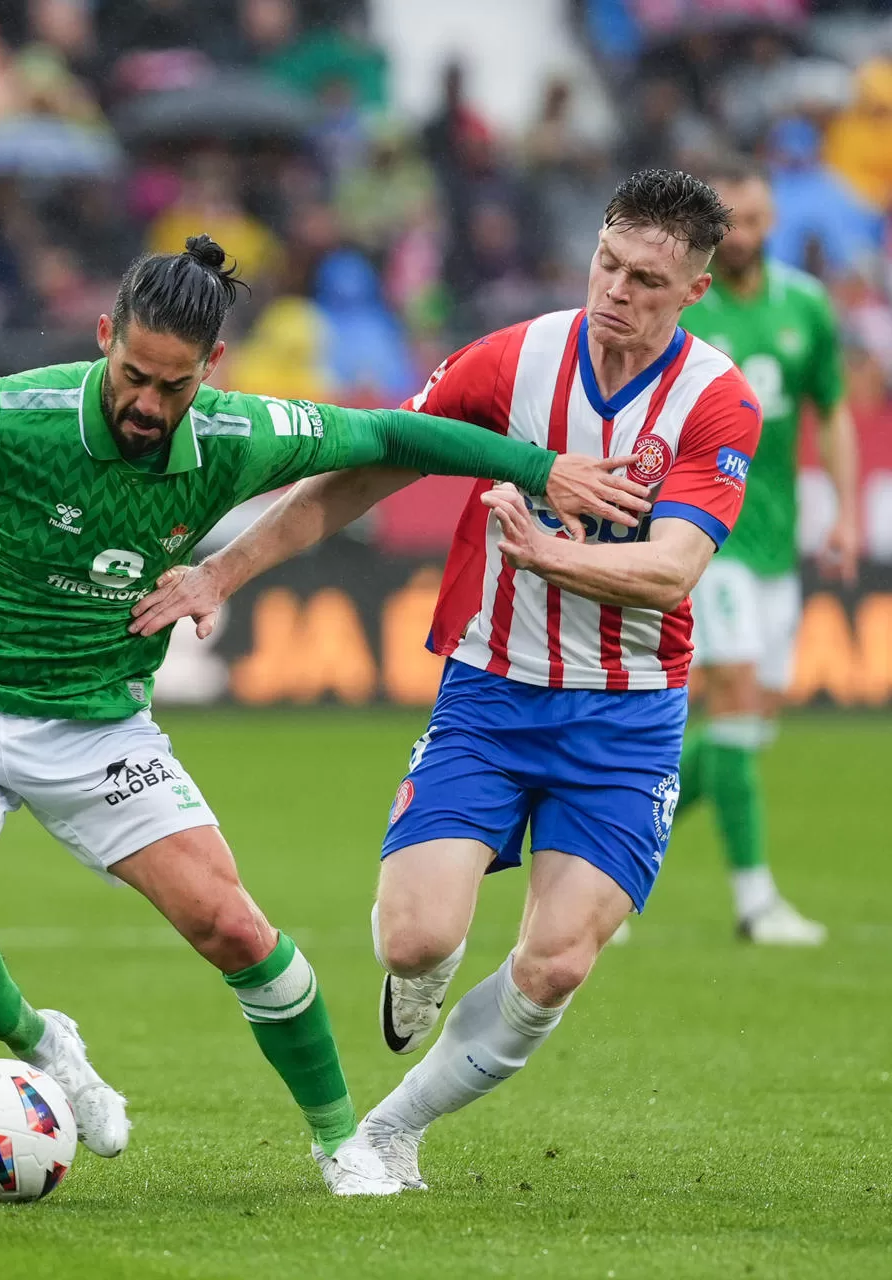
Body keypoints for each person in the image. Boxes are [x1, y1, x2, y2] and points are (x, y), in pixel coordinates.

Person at [0, 235, 648, 1197]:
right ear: (104, 337)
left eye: (173, 386)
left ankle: (343, 1144)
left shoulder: (240, 434)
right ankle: (46, 1045)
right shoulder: (7, 417)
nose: (147, 404)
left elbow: (391, 436)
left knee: (235, 930)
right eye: (133, 375)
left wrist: (540, 469)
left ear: (211, 368)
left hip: (97, 723)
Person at [128, 171, 758, 1190]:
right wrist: (221, 571)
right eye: (607, 263)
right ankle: (422, 970)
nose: (616, 290)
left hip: (629, 715)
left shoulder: (716, 402)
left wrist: (546, 554)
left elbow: (673, 568)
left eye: (646, 280)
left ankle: (393, 1127)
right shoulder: (512, 360)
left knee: (555, 962)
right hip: (491, 691)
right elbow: (368, 467)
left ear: (693, 291)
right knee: (414, 940)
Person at [678, 159, 854, 945]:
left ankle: (600, 845)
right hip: (708, 536)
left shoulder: (806, 306)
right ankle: (756, 902)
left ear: (771, 223)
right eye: (730, 224)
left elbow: (833, 410)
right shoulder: (686, 307)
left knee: (748, 726)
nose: (742, 236)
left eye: (753, 221)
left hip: (778, 540)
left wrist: (844, 511)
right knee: (735, 702)